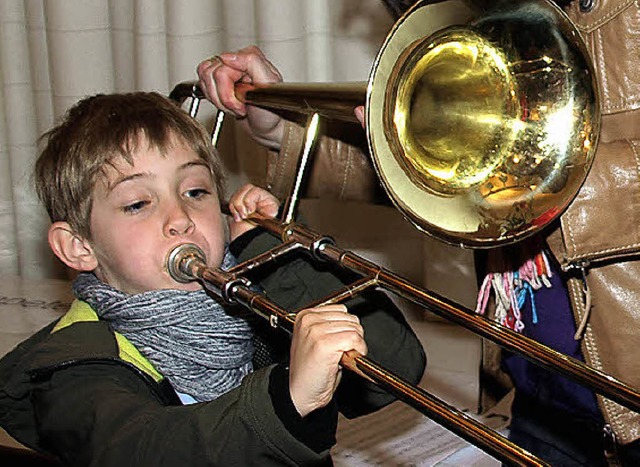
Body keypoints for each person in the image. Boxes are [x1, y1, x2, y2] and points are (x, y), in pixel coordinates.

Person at [195, 0, 640, 463]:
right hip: (540, 403)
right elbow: (447, 175)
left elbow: (516, 164)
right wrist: (281, 127)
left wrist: (538, 172)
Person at [0, 91, 426, 466]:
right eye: (137, 204)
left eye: (195, 192)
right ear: (78, 247)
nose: (181, 220)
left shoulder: (250, 303)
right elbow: (146, 449)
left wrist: (273, 255)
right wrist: (286, 401)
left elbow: (394, 371)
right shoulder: (71, 367)